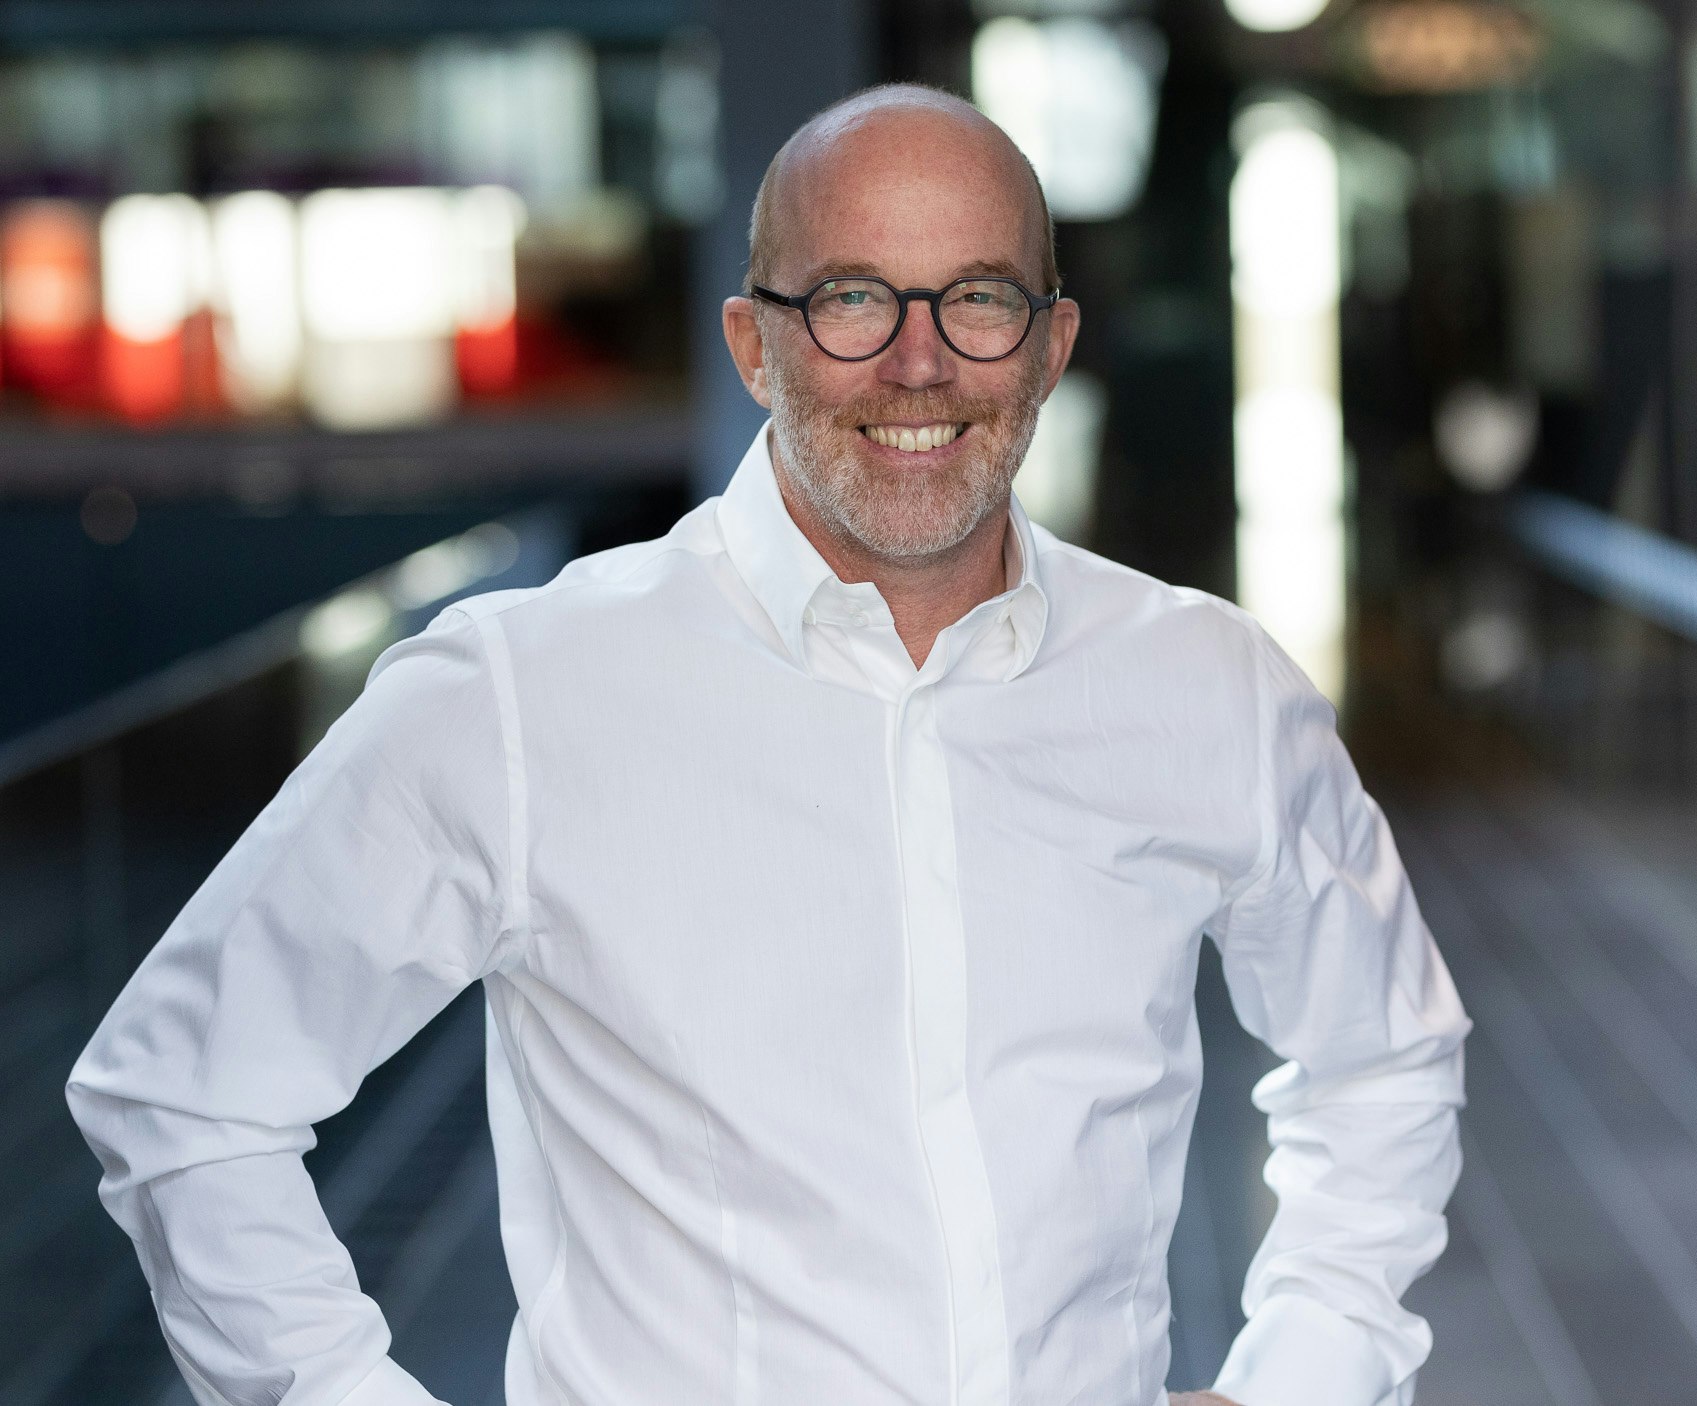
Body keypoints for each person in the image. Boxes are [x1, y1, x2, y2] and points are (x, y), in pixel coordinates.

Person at [69, 84, 1469, 1406]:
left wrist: (1305, 1375)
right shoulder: (518, 692)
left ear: (1051, 345)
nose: (919, 362)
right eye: (852, 298)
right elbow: (183, 1095)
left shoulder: (1207, 686)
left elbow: (1384, 1057)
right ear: (753, 344)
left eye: (980, 298)